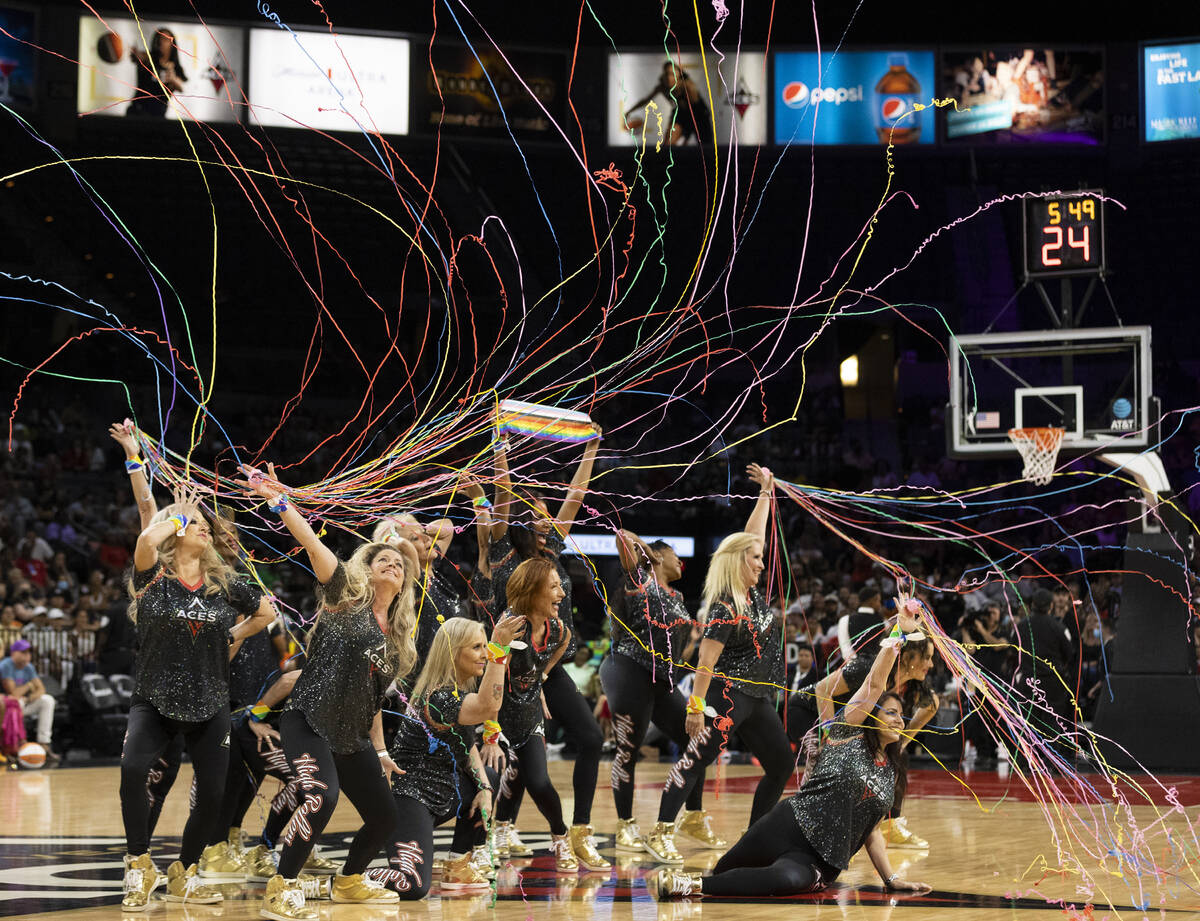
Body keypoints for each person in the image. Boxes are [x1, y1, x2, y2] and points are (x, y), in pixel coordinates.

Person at [239, 463, 417, 920]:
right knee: (321, 795)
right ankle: (283, 885)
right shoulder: (344, 596)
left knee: (385, 817)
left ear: (405, 581)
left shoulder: (398, 645)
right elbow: (311, 542)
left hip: (351, 735)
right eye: (384, 560)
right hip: (308, 719)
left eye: (399, 563)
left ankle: (351, 880)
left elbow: (375, 704)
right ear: (367, 569)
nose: (393, 564)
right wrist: (278, 500)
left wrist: (378, 751)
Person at [650, 632, 932, 899]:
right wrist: (898, 635)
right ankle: (708, 879)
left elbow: (871, 832)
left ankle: (689, 884)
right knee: (724, 868)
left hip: (820, 860)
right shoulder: (847, 734)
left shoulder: (890, 773)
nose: (899, 719)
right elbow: (873, 685)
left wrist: (891, 880)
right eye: (891, 713)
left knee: (786, 881)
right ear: (870, 717)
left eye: (902, 715)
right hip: (789, 824)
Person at [119, 483, 276, 911]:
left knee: (213, 792)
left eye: (206, 525)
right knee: (133, 771)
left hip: (210, 702)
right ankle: (139, 865)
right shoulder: (152, 575)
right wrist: (176, 515)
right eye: (196, 525)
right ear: (174, 531)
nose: (205, 530)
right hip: (154, 698)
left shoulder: (224, 583)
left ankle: (185, 871)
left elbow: (267, 611)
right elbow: (144, 539)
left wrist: (235, 633)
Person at [650, 464, 790, 863]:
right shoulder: (726, 605)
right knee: (695, 761)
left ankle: (753, 840)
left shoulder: (751, 593)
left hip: (756, 696)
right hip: (726, 697)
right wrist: (695, 707)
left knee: (781, 764)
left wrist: (766, 491)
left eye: (762, 558)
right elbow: (705, 662)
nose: (762, 564)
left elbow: (754, 536)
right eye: (755, 559)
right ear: (737, 563)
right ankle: (661, 831)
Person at [489, 431, 609, 869]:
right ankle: (501, 825)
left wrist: (590, 451)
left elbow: (575, 499)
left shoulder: (552, 550)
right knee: (520, 750)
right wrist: (500, 450)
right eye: (536, 514)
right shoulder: (503, 551)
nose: (546, 520)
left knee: (592, 738)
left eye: (546, 513)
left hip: (545, 663)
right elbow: (501, 498)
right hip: (502, 665)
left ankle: (579, 831)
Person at [366, 613, 524, 898]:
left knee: (488, 773)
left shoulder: (458, 689)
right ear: (453, 653)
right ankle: (346, 877)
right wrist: (500, 649)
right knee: (412, 886)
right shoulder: (439, 698)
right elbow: (489, 706)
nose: (484, 653)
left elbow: (469, 746)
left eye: (484, 645)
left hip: (442, 792)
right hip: (409, 798)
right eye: (476, 647)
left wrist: (486, 789)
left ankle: (458, 864)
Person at [601, 529, 719, 857]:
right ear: (656, 557)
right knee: (629, 748)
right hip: (628, 669)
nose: (681, 560)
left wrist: (692, 645)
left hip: (661, 678)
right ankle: (625, 824)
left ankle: (693, 816)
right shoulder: (640, 579)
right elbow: (623, 536)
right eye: (673, 553)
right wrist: (648, 556)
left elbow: (675, 656)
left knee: (697, 738)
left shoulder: (679, 599)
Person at [806, 597, 939, 849]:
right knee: (827, 768)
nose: (931, 664)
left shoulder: (920, 693)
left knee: (898, 758)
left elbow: (906, 735)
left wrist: (890, 747)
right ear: (910, 655)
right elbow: (822, 690)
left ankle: (891, 825)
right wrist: (828, 734)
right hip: (811, 712)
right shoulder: (867, 667)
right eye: (928, 657)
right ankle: (819, 826)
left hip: (851, 729)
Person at [485, 557, 580, 871]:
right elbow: (490, 677)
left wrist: (538, 684)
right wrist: (490, 728)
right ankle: (489, 837)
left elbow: (549, 662)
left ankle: (560, 836)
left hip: (528, 716)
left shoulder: (560, 632)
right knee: (492, 779)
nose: (561, 594)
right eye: (553, 587)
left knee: (538, 782)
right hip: (497, 715)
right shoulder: (510, 628)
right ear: (531, 589)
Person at [623, 61, 711, 145]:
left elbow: (696, 109)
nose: (669, 77)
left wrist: (686, 135)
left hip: (699, 116)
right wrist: (629, 111)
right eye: (667, 74)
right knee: (667, 146)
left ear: (679, 75)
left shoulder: (687, 86)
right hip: (680, 114)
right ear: (664, 75)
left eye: (672, 74)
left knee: (706, 147)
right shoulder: (662, 87)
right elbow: (645, 100)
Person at [0, 637, 58, 765]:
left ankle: (44, 743)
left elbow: (41, 689)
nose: (27, 656)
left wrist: (30, 697)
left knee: (47, 700)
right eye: (23, 652)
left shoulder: (29, 667)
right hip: (8, 706)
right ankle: (15, 746)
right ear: (13, 653)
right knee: (16, 703)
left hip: (25, 701)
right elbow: (13, 693)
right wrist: (29, 686)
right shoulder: (6, 665)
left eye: (28, 652)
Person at [127, 28, 185, 117]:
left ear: (172, 44)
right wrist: (136, 55)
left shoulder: (174, 68)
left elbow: (181, 87)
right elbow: (140, 56)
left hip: (158, 116)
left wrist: (172, 79)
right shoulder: (149, 58)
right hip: (137, 112)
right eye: (159, 39)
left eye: (165, 39)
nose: (161, 42)